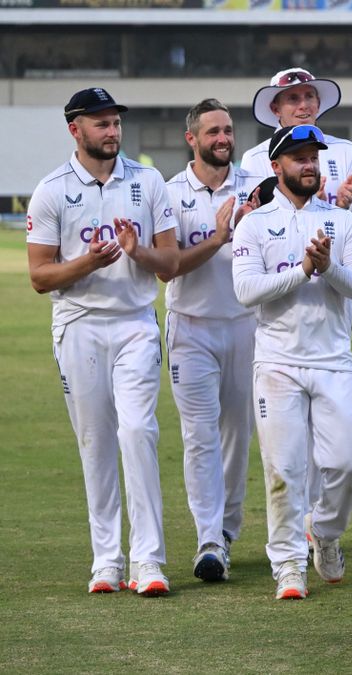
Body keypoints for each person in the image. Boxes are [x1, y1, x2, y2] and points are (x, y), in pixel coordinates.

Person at [26, 88, 180, 596]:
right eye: (101, 124)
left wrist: (137, 253)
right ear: (76, 129)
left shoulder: (148, 181)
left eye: (115, 123)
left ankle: (149, 561)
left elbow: (171, 265)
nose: (112, 132)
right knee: (95, 445)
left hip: (135, 322)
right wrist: (87, 264)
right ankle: (106, 561)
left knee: (138, 432)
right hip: (79, 326)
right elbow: (41, 276)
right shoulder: (51, 190)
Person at [231, 124, 352, 600]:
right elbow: (247, 292)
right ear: (277, 167)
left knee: (347, 463)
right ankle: (288, 564)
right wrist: (303, 271)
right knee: (284, 470)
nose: (310, 164)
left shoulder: (343, 221)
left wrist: (329, 267)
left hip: (332, 359)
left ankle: (325, 533)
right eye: (299, 157)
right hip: (277, 362)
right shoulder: (253, 224)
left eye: (314, 157)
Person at [160, 98, 265, 582]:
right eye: (213, 132)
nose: (223, 138)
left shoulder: (256, 188)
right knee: (199, 436)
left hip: (246, 324)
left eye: (227, 130)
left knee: (236, 436)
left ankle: (226, 532)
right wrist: (221, 236)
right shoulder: (167, 193)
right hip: (191, 327)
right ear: (192, 139)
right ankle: (208, 540)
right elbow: (169, 268)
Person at [240, 68, 352, 231]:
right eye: (293, 98)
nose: (303, 105)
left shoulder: (345, 150)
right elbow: (249, 227)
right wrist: (312, 207)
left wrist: (343, 207)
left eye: (309, 96)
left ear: (318, 104)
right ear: (276, 109)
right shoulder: (254, 158)